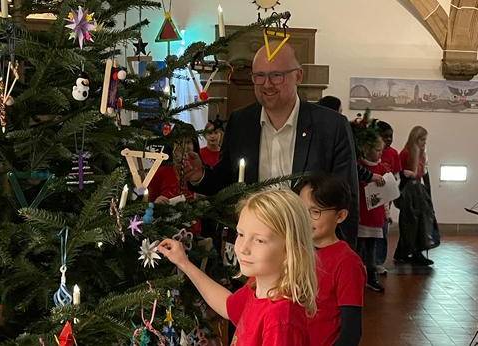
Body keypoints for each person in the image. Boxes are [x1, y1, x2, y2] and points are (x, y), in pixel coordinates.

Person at [182, 44, 359, 248]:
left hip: (309, 248)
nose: (267, 84)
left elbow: (346, 197)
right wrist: (200, 175)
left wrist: (343, 254)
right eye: (259, 76)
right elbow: (228, 182)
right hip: (255, 247)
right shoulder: (241, 122)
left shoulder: (331, 126)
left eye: (276, 75)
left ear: (298, 76)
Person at [158, 188, 318, 345]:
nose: (243, 248)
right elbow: (227, 306)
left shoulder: (280, 320)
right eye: (241, 234)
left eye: (259, 240)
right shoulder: (256, 286)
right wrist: (183, 262)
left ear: (291, 249)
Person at [293, 174, 365, 345]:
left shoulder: (347, 262)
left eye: (315, 212)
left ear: (340, 216)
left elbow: (351, 332)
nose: (305, 218)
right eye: (301, 209)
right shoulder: (294, 250)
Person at [351, 121, 388, 291]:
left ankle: (371, 277)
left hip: (375, 215)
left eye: (381, 150)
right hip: (362, 215)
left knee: (372, 249)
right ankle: (356, 277)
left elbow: (386, 194)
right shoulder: (360, 168)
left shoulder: (382, 168)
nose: (380, 153)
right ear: (367, 149)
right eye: (377, 150)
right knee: (358, 248)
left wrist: (386, 213)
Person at [394, 126, 436, 265]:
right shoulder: (405, 153)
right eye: (422, 139)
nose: (424, 143)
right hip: (407, 190)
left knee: (420, 222)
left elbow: (425, 174)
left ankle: (407, 252)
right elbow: (399, 173)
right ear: (415, 139)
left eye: (425, 140)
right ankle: (410, 252)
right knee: (409, 223)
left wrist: (428, 194)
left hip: (418, 190)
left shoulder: (422, 154)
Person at [375, 120, 401, 275]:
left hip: (386, 200)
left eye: (391, 136)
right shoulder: (370, 152)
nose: (389, 139)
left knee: (383, 230)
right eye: (385, 136)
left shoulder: (393, 153)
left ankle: (379, 261)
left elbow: (396, 174)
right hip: (372, 198)